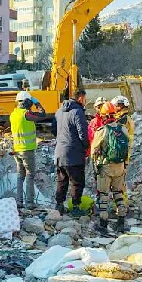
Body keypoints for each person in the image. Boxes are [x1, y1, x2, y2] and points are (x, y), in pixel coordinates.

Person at [91, 102, 131, 233]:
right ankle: (121, 221)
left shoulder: (102, 131)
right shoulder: (123, 129)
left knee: (103, 195)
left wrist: (95, 167)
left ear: (103, 116)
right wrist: (125, 165)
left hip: (106, 167)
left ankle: (103, 224)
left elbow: (93, 151)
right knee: (118, 194)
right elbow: (128, 149)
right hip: (120, 166)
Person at [52, 89, 89, 217]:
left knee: (62, 181)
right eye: (84, 98)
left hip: (59, 153)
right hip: (74, 154)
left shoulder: (58, 111)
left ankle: (59, 206)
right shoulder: (77, 112)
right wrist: (85, 147)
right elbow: (83, 134)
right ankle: (76, 208)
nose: (85, 101)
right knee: (77, 182)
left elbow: (53, 129)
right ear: (80, 98)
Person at [9, 91, 47, 209]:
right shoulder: (26, 115)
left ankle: (19, 202)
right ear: (27, 103)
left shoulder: (13, 114)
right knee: (30, 174)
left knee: (20, 175)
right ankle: (30, 202)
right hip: (26, 150)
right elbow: (43, 114)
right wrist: (37, 103)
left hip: (17, 149)